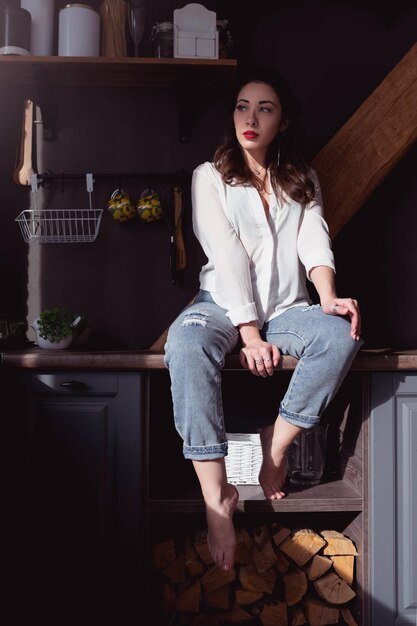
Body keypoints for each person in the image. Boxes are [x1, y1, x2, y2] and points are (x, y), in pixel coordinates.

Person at [164, 65, 363, 573]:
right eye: (242, 107)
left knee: (342, 333)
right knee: (184, 346)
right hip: (220, 307)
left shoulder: (302, 179)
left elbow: (313, 240)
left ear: (284, 121)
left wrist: (329, 297)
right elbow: (226, 254)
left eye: (264, 109)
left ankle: (276, 445)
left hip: (287, 309)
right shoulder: (209, 177)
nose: (250, 118)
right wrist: (247, 332)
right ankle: (217, 499)